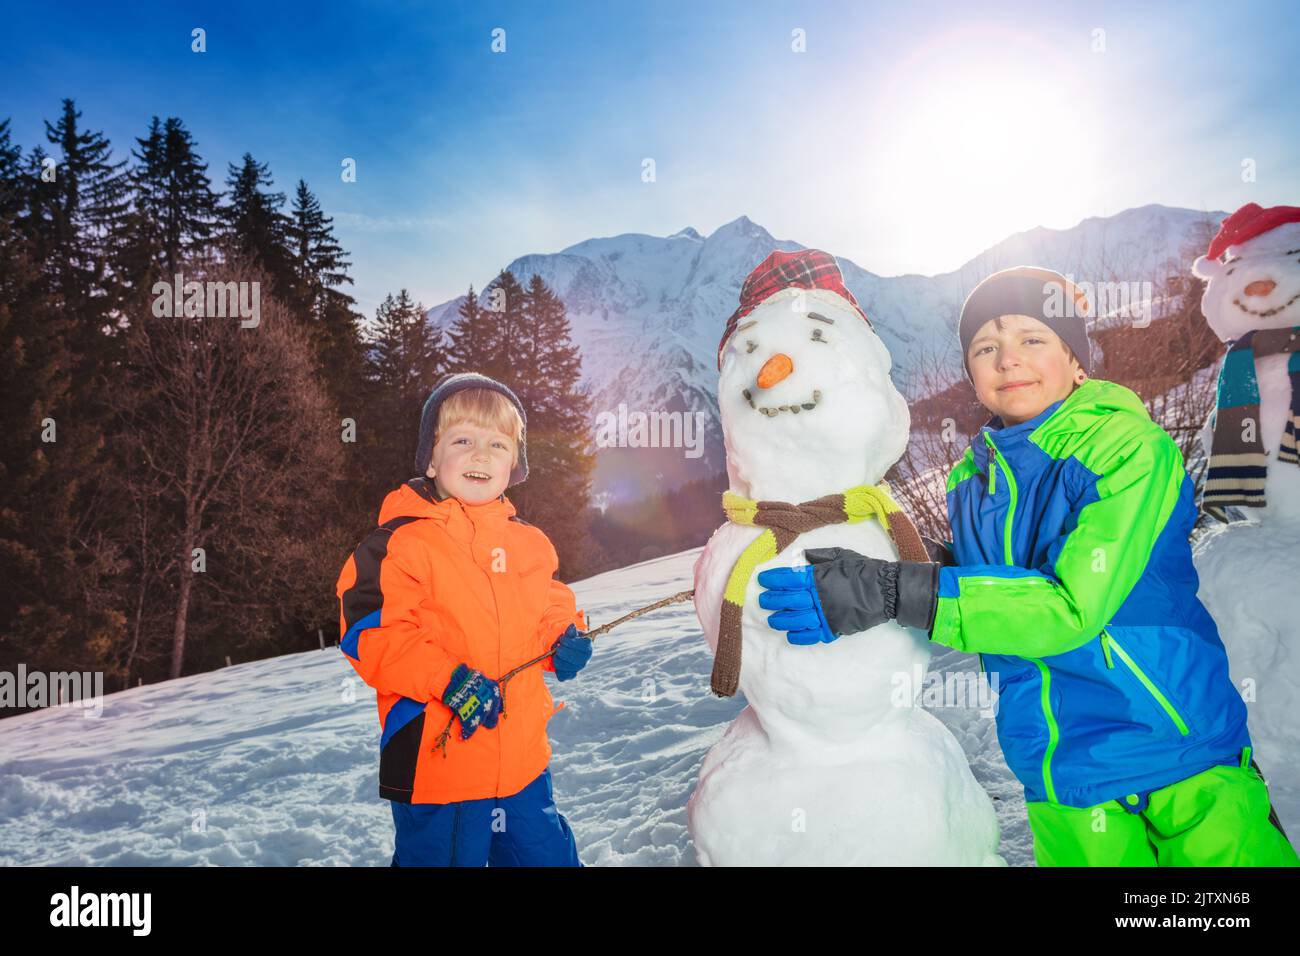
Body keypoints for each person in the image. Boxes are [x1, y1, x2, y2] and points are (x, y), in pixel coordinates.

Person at [756, 266, 1299, 866]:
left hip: (1177, 751)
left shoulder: (1128, 449)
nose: (1008, 359)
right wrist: (897, 564)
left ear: (1077, 360)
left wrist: (895, 591)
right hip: (1057, 767)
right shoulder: (971, 480)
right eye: (986, 347)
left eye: (1031, 339)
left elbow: (1070, 607)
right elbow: (988, 579)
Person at [336, 371, 594, 866]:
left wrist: (561, 638)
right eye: (462, 440)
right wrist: (446, 678)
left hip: (521, 763)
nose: (480, 454)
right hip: (439, 767)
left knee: (545, 858)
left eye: (497, 444)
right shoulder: (398, 544)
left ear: (515, 464)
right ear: (431, 459)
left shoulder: (530, 544)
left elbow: (548, 603)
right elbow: (371, 634)